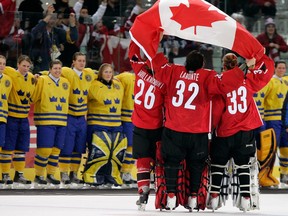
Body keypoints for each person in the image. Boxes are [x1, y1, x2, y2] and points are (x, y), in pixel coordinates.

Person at [154, 48, 252, 211]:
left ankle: (171, 196)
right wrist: (243, 68)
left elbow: (157, 68)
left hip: (174, 128)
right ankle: (193, 197)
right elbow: (225, 85)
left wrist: (156, 45)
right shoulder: (208, 75)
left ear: (185, 62)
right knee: (196, 165)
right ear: (202, 65)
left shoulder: (173, 70)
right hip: (198, 131)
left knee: (171, 162)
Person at [207, 53, 274, 212]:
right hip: (245, 131)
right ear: (236, 65)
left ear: (223, 66)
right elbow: (266, 73)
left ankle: (215, 198)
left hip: (225, 132)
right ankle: (245, 198)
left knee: (218, 165)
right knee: (243, 165)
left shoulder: (221, 84)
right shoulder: (248, 82)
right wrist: (260, 57)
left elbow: (216, 112)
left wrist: (210, 129)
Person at [128, 41, 166, 210]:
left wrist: (135, 39)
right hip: (157, 126)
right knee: (158, 160)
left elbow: (133, 55)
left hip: (140, 125)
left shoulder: (140, 70)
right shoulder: (163, 83)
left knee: (143, 160)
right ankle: (162, 191)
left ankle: (143, 192)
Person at [83, 63, 126, 187]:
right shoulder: (94, 85)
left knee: (115, 153)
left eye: (110, 72)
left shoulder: (118, 85)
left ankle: (111, 176)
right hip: (97, 123)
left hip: (116, 124)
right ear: (100, 73)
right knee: (98, 151)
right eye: (105, 72)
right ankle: (93, 175)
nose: (108, 74)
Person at [58, 52, 96, 188]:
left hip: (82, 117)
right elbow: (53, 71)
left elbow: (102, 74)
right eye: (79, 61)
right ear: (73, 62)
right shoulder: (67, 72)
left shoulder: (88, 74)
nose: (82, 63)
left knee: (79, 147)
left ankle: (74, 173)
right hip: (69, 115)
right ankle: (64, 173)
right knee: (67, 146)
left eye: (83, 61)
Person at [31, 59, 70, 188]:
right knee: (45, 149)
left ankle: (51, 174)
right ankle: (39, 175)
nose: (58, 71)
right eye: (55, 68)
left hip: (62, 120)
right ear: (50, 69)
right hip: (45, 119)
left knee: (56, 149)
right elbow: (34, 97)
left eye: (59, 68)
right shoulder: (42, 80)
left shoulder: (66, 83)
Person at [1, 55, 35, 189]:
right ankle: (4, 173)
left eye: (28, 66)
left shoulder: (32, 78)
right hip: (11, 117)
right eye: (23, 65)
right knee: (8, 147)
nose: (25, 68)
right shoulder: (10, 73)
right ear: (18, 64)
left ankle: (19, 174)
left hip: (24, 117)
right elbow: (2, 68)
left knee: (21, 148)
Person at [30, 4, 78, 73]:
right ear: (45, 18)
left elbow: (73, 38)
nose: (53, 21)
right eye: (51, 18)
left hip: (55, 67)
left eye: (54, 18)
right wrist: (49, 15)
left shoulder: (57, 31)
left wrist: (73, 24)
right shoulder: (40, 29)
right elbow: (34, 33)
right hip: (40, 66)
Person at [264, 60, 288, 186]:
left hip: (282, 119)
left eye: (283, 68)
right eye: (279, 68)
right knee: (272, 149)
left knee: (284, 147)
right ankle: (269, 174)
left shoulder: (285, 81)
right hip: (271, 119)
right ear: (275, 68)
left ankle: (284, 174)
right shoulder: (270, 82)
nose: (281, 70)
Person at [114, 71, 136, 187]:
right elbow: (112, 79)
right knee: (128, 146)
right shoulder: (126, 77)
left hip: (139, 119)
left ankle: (127, 171)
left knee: (134, 147)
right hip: (127, 118)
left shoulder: (150, 81)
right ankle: (123, 172)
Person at [0, 55, 12, 187]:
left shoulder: (8, 80)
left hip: (2, 118)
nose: (1, 66)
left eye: (3, 64)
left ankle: (3, 174)